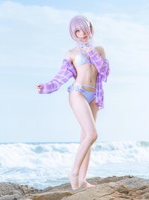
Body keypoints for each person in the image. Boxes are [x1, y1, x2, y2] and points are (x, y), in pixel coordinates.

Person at [36, 15, 110, 190]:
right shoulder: (71, 54)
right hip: (78, 93)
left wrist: (91, 52)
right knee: (92, 134)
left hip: (95, 95)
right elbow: (61, 77)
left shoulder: (99, 50)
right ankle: (74, 173)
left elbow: (105, 71)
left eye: (84, 29)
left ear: (90, 29)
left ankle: (82, 180)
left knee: (86, 138)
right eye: (77, 30)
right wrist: (46, 87)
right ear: (73, 33)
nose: (82, 34)